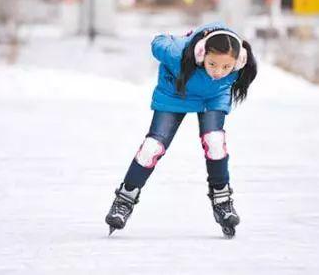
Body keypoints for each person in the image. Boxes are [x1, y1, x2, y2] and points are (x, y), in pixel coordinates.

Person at [105, 22, 257, 237]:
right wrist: (182, 39)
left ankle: (222, 201)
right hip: (175, 94)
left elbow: (225, 74)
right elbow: (157, 41)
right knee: (152, 146)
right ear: (201, 53)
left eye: (226, 67)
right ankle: (124, 199)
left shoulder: (240, 65)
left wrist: (225, 71)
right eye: (212, 64)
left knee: (215, 141)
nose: (218, 72)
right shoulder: (178, 53)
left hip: (212, 98)